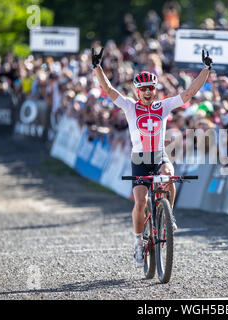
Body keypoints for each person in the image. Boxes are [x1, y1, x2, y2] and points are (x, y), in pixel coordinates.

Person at [92, 47, 214, 267]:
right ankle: (139, 243)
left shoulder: (163, 106)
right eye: (143, 89)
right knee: (140, 202)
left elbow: (188, 93)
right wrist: (98, 67)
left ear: (155, 90)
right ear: (137, 91)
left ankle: (169, 216)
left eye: (151, 88)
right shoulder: (130, 107)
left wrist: (206, 69)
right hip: (139, 159)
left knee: (170, 176)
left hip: (158, 155)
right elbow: (110, 91)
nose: (148, 92)